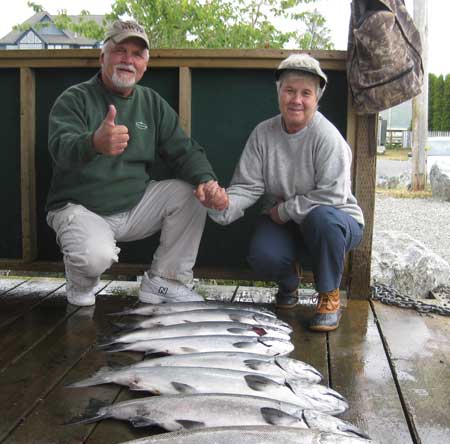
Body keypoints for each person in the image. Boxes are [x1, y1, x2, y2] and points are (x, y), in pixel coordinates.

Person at [46, 20, 223, 307]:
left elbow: (183, 150)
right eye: (120, 51)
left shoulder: (151, 102)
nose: (128, 60)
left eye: (137, 54)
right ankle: (81, 283)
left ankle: (164, 282)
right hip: (80, 207)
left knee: (190, 195)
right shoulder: (75, 98)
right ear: (103, 56)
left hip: (134, 205)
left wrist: (206, 180)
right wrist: (94, 143)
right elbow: (59, 148)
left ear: (145, 65)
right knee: (95, 257)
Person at [203, 54, 364, 332]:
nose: (296, 100)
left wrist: (285, 210)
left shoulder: (328, 137)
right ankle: (289, 283)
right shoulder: (262, 133)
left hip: (335, 221)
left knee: (322, 219)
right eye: (289, 90)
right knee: (262, 255)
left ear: (317, 98)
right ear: (279, 92)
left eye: (306, 93)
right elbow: (248, 185)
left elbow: (334, 196)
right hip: (285, 223)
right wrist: (223, 203)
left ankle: (329, 295)